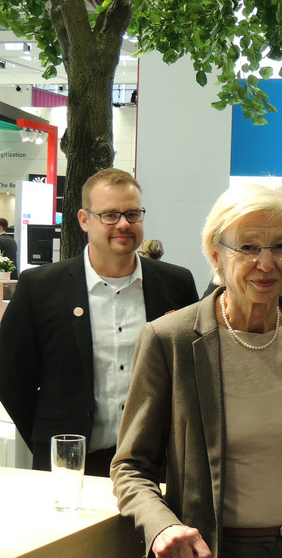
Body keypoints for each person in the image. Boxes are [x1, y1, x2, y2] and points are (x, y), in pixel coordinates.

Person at [111, 183, 282, 558]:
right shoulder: (170, 340)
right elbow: (131, 466)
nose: (266, 263)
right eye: (248, 247)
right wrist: (162, 525)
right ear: (215, 254)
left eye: (280, 246)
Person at [0, 168, 198, 476]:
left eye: (133, 214)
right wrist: (47, 435)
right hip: (72, 466)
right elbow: (10, 376)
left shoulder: (176, 284)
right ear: (84, 219)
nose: (123, 224)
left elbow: (192, 372)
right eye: (110, 215)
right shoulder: (40, 287)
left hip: (156, 467)